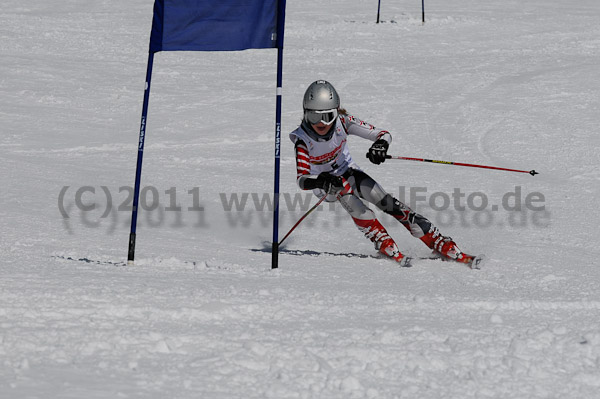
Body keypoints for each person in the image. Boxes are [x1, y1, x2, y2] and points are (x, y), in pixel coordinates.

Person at [289, 80, 478, 266]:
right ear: (305, 114)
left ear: (336, 113)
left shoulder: (344, 122)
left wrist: (380, 146)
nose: (321, 123)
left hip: (347, 171)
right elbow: (302, 179)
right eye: (314, 117)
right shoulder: (303, 140)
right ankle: (382, 240)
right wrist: (320, 182)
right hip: (325, 185)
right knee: (350, 198)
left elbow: (383, 134)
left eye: (327, 116)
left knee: (384, 200)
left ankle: (436, 240)